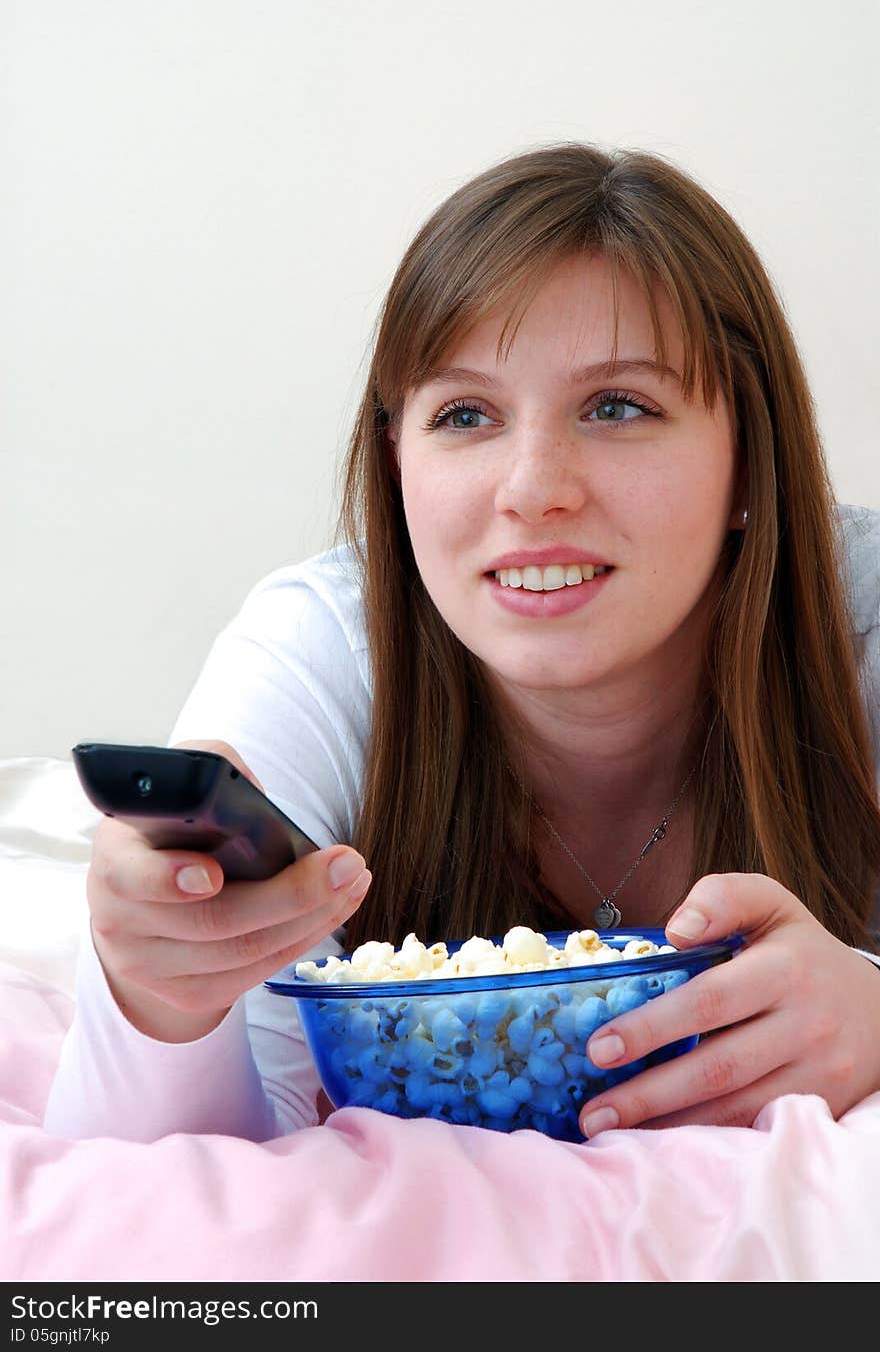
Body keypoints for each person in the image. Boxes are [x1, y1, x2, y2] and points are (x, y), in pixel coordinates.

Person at [44, 141, 880, 1144]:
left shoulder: (858, 623)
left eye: (618, 406)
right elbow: (160, 1185)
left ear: (752, 457)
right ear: (398, 461)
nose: (532, 486)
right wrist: (162, 1001)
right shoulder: (325, 651)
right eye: (465, 413)